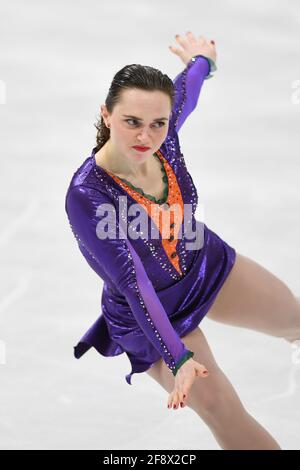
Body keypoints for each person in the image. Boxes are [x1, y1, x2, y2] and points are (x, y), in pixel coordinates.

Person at [65, 32, 300, 449]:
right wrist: (179, 357)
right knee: (224, 410)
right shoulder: (88, 195)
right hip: (150, 316)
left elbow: (187, 89)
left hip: (205, 267)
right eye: (131, 122)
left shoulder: (165, 134)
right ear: (106, 114)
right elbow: (133, 282)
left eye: (158, 123)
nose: (146, 136)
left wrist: (203, 62)